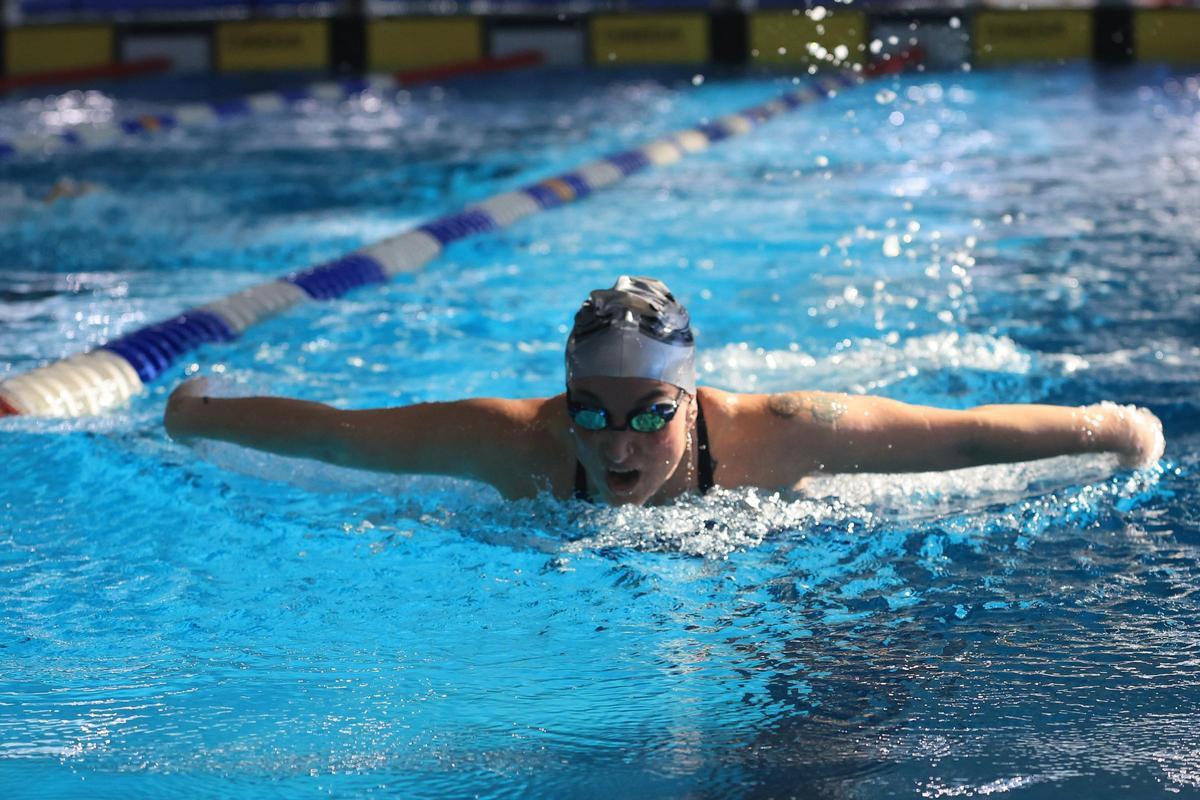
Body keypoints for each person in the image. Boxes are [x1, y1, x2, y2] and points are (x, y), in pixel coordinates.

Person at [164, 276, 1165, 507]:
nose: (615, 443)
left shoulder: (781, 430)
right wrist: (196, 412)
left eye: (649, 414)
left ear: (691, 402)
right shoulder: (515, 439)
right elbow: (345, 435)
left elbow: (957, 435)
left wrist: (1109, 425)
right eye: (589, 412)